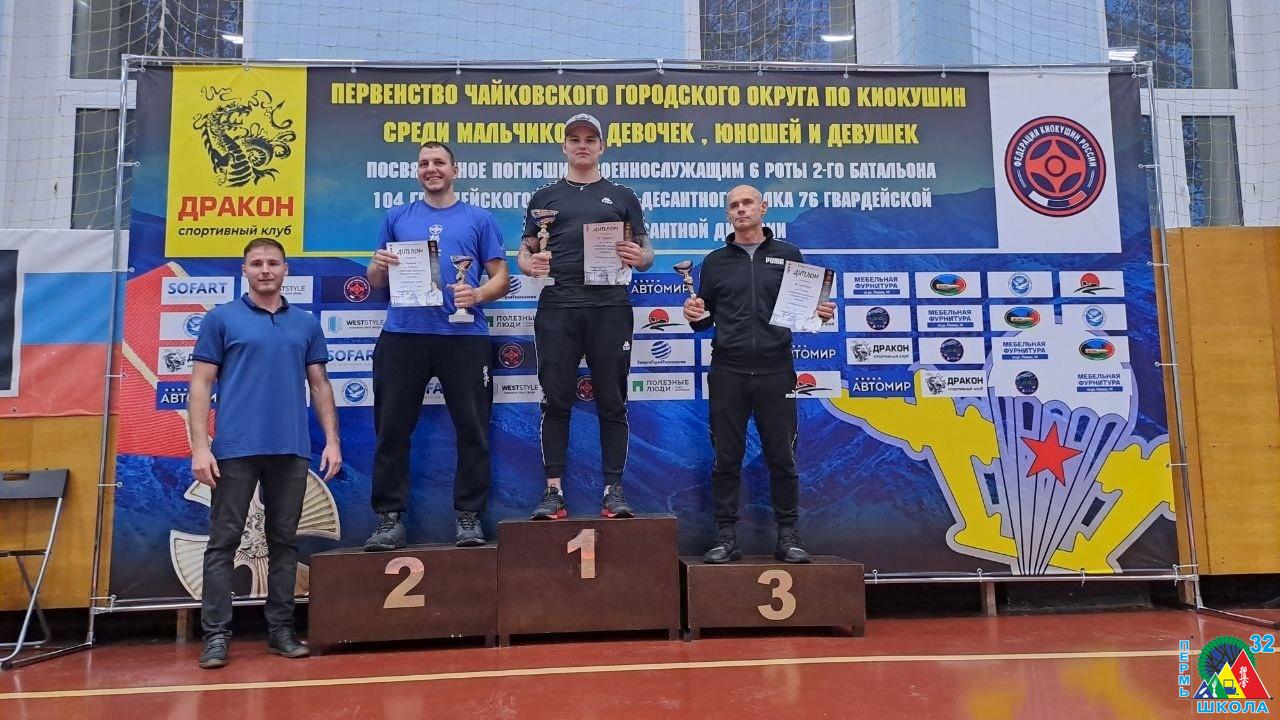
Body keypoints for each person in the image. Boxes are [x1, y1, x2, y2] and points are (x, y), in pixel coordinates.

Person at [189, 237, 342, 669]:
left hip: (290, 448)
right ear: (245, 270)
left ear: (285, 269)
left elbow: (320, 385)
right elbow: (200, 384)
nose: (265, 270)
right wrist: (200, 447)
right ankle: (216, 636)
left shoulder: (306, 324)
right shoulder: (221, 319)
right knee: (223, 543)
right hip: (235, 449)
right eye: (256, 263)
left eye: (273, 262)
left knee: (284, 543)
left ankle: (281, 631)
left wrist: (332, 440)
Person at [363, 141, 509, 551]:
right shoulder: (397, 217)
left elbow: (501, 278)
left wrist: (476, 295)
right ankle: (389, 519)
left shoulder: (479, 218)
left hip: (463, 337)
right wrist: (379, 266)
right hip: (403, 335)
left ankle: (468, 516)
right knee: (391, 430)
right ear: (418, 172)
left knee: (473, 430)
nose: (431, 168)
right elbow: (375, 280)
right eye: (424, 163)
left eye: (439, 162)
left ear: (454, 170)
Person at [683, 185, 836, 564]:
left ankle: (789, 536)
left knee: (782, 457)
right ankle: (726, 537)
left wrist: (820, 313)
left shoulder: (789, 255)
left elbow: (808, 314)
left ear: (763, 208)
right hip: (728, 371)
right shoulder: (714, 262)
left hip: (776, 370)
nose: (740, 209)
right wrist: (693, 315)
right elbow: (703, 320)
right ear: (727, 214)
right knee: (726, 458)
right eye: (733, 205)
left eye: (747, 203)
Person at [517, 113, 654, 520]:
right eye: (574, 138)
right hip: (558, 306)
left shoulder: (623, 196)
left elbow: (647, 253)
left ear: (601, 147)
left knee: (612, 400)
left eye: (590, 139)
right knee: (555, 400)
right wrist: (529, 264)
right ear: (564, 146)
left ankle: (614, 490)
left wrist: (639, 256)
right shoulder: (544, 197)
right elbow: (525, 251)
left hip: (610, 306)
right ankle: (553, 492)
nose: (582, 145)